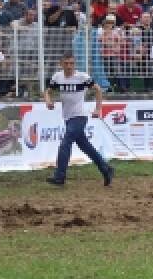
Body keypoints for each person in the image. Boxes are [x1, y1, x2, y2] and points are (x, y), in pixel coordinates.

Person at [44, 54, 115, 187]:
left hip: (80, 117)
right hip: (68, 118)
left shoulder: (82, 77)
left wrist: (97, 109)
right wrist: (48, 101)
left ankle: (59, 176)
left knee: (66, 143)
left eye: (71, 63)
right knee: (86, 147)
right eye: (66, 63)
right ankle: (106, 169)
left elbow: (98, 89)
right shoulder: (57, 77)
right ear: (61, 64)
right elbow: (47, 91)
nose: (69, 66)